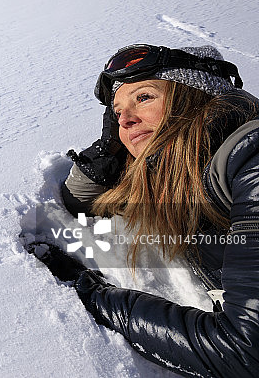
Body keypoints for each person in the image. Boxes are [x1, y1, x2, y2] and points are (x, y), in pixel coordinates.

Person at [28, 43, 259, 378]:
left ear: (193, 97)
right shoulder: (176, 171)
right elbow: (80, 201)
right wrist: (111, 146)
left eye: (145, 97)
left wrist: (91, 294)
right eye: (117, 112)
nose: (125, 118)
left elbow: (245, 350)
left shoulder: (249, 161)